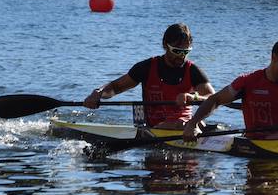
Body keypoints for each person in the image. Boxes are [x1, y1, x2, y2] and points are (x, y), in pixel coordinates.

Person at [183, 39, 278, 141]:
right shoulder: (248, 82)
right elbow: (215, 100)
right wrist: (193, 123)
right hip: (256, 142)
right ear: (274, 58)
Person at [83, 23, 215, 129]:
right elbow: (115, 87)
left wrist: (194, 97)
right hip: (155, 128)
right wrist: (98, 93)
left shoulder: (192, 70)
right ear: (165, 45)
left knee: (197, 124)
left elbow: (213, 98)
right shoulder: (145, 68)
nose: (182, 56)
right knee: (183, 124)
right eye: (177, 51)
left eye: (186, 52)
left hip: (186, 126)